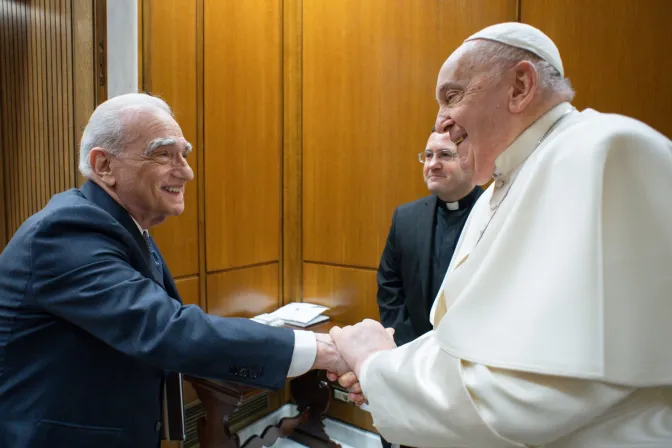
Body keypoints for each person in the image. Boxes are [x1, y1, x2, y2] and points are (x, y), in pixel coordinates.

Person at [329, 22, 672, 447]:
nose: (442, 123)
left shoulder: (603, 153)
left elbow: (534, 393)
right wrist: (391, 373)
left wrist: (376, 366)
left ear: (520, 86)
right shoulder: (499, 186)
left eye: (452, 96)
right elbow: (466, 345)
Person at [0, 93, 346, 447]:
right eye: (163, 153)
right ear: (104, 166)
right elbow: (165, 329)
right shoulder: (66, 231)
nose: (186, 171)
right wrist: (323, 350)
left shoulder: (122, 226)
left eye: (185, 154)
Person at [377, 131, 481, 350]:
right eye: (428, 155)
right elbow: (389, 288)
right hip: (411, 351)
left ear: (470, 159)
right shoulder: (405, 218)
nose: (433, 164)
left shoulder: (496, 213)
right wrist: (410, 347)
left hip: (473, 355)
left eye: (444, 155)